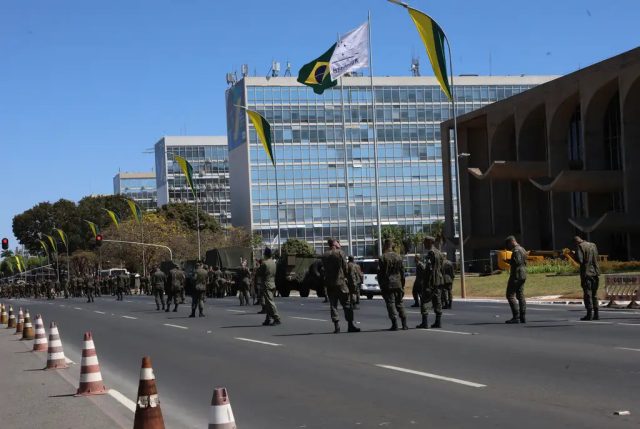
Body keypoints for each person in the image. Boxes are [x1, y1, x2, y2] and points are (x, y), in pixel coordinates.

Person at [322, 239, 359, 334]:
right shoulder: (340, 253)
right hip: (341, 282)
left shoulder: (325, 255)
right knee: (346, 304)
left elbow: (324, 269)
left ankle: (337, 326)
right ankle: (350, 325)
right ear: (334, 243)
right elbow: (345, 268)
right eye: (338, 242)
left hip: (330, 284)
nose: (340, 244)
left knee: (333, 305)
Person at [378, 239, 408, 331]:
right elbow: (402, 272)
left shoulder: (383, 257)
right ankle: (404, 324)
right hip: (398, 283)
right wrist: (402, 284)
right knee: (400, 303)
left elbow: (380, 273)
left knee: (391, 303)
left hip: (388, 284)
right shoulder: (398, 257)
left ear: (385, 245)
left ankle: (394, 324)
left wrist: (381, 284)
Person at [417, 236, 445, 329]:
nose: (424, 244)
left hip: (431, 281)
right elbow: (441, 267)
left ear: (430, 242)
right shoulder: (439, 253)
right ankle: (438, 322)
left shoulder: (431, 253)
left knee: (425, 300)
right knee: (437, 301)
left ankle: (424, 322)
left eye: (425, 242)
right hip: (439, 280)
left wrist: (420, 264)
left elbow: (428, 269)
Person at [575, 236, 600, 321]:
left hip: (587, 273)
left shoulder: (580, 246)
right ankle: (596, 314)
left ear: (576, 242)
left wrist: (574, 254)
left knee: (588, 294)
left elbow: (580, 260)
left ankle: (589, 314)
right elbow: (597, 257)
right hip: (595, 273)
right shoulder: (593, 245)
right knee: (594, 294)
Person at [505, 235, 527, 324]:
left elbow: (517, 261)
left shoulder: (516, 250)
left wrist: (510, 262)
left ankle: (516, 316)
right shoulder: (523, 249)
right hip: (523, 274)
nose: (509, 247)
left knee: (510, 295)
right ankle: (523, 316)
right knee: (520, 295)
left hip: (516, 274)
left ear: (512, 242)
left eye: (508, 244)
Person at [256, 248, 281, 325]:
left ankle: (277, 318)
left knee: (270, 302)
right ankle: (268, 319)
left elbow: (259, 273)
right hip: (272, 283)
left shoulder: (265, 263)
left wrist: (258, 266)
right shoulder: (274, 263)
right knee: (268, 302)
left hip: (266, 284)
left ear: (265, 255)